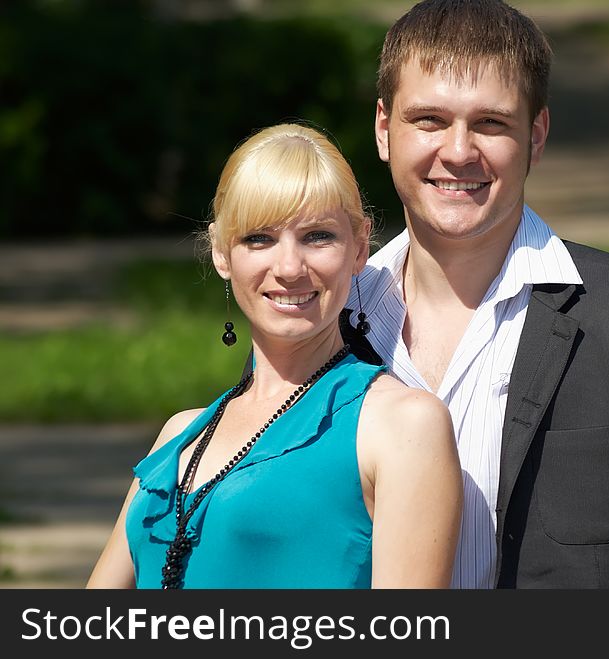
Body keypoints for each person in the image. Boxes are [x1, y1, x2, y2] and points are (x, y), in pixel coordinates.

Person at [342, 0, 609, 588]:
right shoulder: (324, 319)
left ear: (536, 135)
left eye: (491, 123)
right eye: (428, 120)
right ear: (384, 129)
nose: (458, 151)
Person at [87, 123, 463, 589]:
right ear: (222, 253)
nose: (288, 268)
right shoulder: (180, 435)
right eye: (259, 239)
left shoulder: (402, 425)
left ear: (360, 246)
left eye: (318, 236)